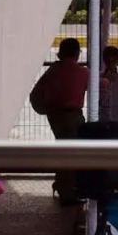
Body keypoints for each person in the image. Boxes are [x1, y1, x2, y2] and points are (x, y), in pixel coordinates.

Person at [30, 38, 89, 202]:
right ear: (77, 53)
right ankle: (67, 192)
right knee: (72, 154)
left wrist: (46, 108)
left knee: (64, 149)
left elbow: (35, 94)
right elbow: (102, 86)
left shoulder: (53, 70)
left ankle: (61, 184)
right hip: (72, 115)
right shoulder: (82, 72)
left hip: (55, 115)